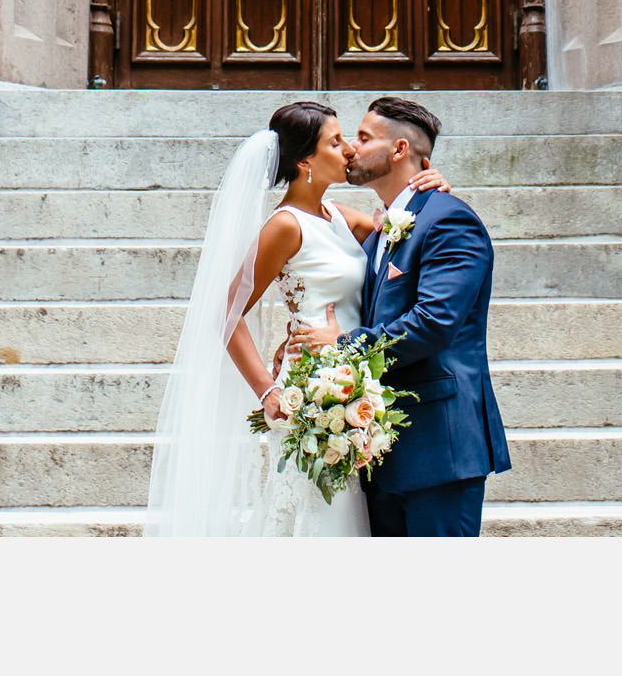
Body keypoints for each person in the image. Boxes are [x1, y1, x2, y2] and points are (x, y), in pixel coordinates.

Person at [144, 100, 450, 537]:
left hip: (356, 380)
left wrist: (431, 188)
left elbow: (406, 235)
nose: (348, 150)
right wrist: (267, 390)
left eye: (348, 138)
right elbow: (225, 314)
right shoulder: (285, 226)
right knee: (320, 517)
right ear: (305, 160)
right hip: (312, 391)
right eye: (335, 141)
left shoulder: (341, 216)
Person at [296, 96, 510, 538]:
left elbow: (433, 322)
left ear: (398, 151)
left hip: (439, 449)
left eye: (363, 137)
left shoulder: (449, 220)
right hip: (382, 450)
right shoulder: (380, 232)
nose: (351, 148)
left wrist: (344, 344)